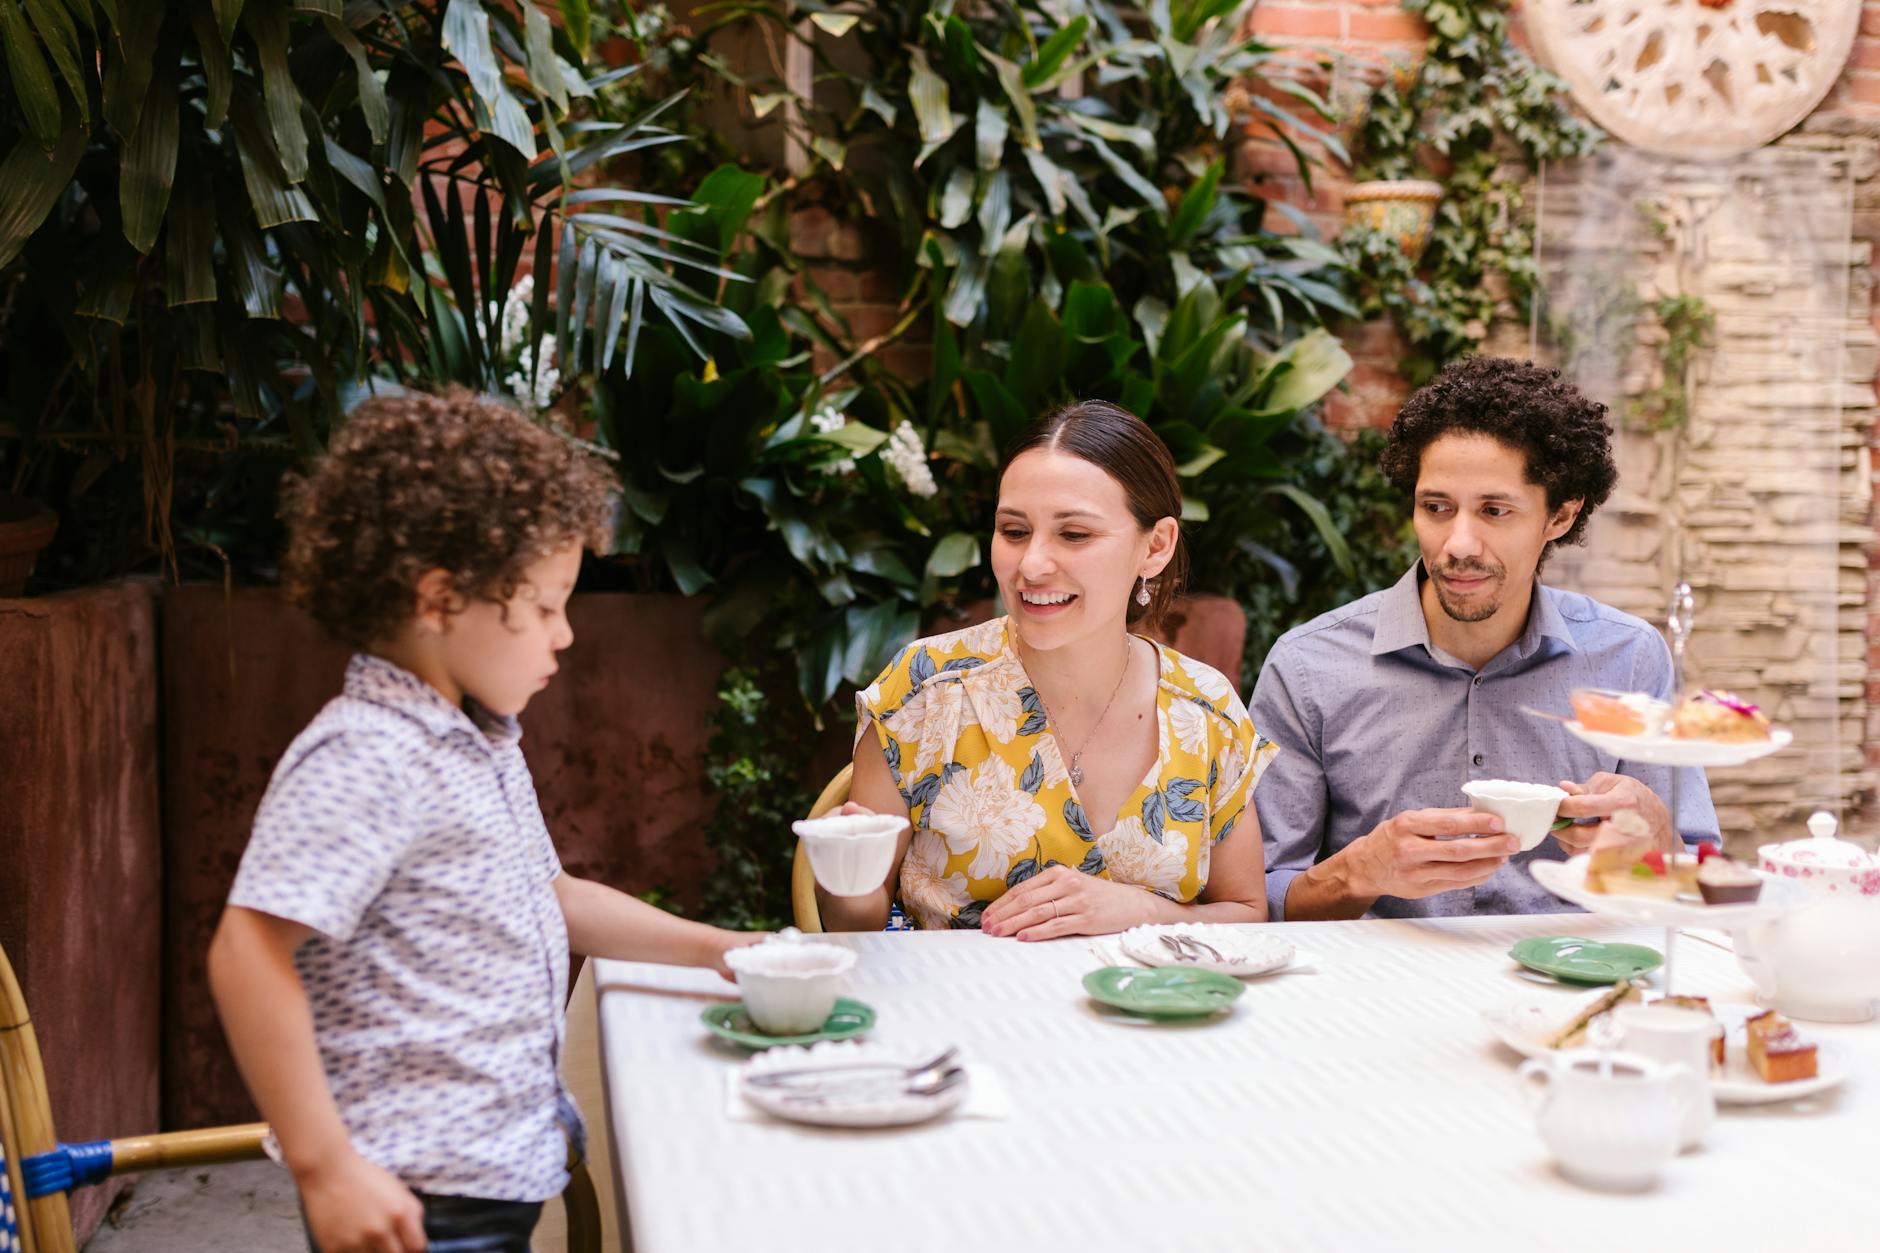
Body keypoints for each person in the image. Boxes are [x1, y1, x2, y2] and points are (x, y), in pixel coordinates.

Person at [207, 391, 759, 1253]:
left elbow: (552, 892)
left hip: (494, 1172)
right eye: (543, 606)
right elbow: (247, 950)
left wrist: (715, 945)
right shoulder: (366, 753)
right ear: (438, 599)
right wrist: (325, 1167)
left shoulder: (478, 739)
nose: (565, 634)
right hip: (414, 1195)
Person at [1252, 356, 1719, 921]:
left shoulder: (1630, 658)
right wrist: (1358, 871)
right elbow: (1259, 901)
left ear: (1560, 517)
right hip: (1378, 990)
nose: (1458, 544)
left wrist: (1656, 843)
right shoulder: (1309, 667)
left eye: (1494, 511)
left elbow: (1700, 884)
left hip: (1569, 986)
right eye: (1436, 508)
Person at [818, 400, 1280, 936]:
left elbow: (1248, 914)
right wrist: (846, 878)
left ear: (1155, 547)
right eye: (1014, 532)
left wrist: (1141, 911)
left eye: (1074, 535)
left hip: (1146, 1015)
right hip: (957, 1010)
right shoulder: (926, 687)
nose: (1031, 565)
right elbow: (854, 926)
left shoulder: (1205, 709)